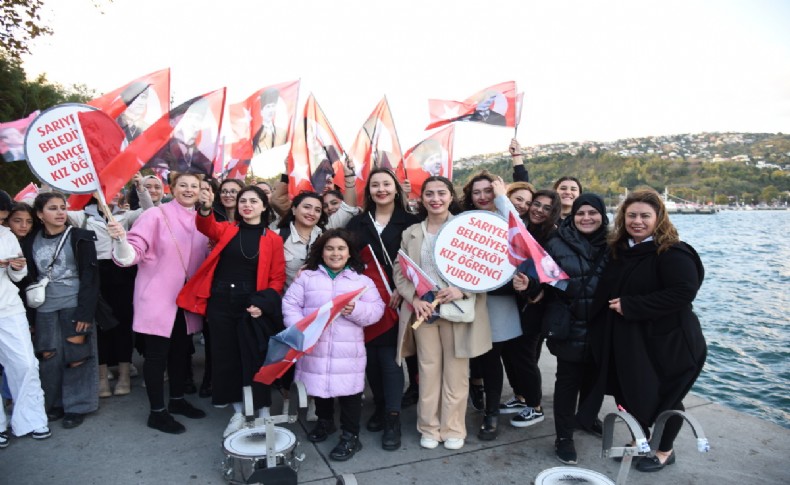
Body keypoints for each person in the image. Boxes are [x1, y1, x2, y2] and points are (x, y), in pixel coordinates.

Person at [578, 188, 707, 473]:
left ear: (658, 218)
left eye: (645, 216)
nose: (637, 221)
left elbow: (684, 292)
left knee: (665, 397)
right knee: (636, 394)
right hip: (634, 341)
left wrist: (633, 305)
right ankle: (646, 441)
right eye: (631, 215)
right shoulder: (623, 251)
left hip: (669, 341)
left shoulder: (672, 251)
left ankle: (664, 450)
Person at [178, 184, 285, 438]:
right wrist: (204, 208)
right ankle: (238, 412)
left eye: (253, 201)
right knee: (225, 357)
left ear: (263, 206)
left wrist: (263, 304)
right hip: (221, 301)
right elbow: (206, 226)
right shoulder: (227, 229)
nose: (247, 205)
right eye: (242, 201)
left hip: (251, 302)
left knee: (256, 358)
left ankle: (262, 412)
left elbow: (277, 278)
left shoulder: (273, 239)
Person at [394, 176, 492, 451]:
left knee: (457, 374)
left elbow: (483, 269)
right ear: (421, 198)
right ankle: (428, 427)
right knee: (428, 372)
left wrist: (462, 290)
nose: (435, 199)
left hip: (457, 311)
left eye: (441, 193)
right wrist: (413, 298)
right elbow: (400, 269)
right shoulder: (412, 232)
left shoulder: (465, 229)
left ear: (451, 196)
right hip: (425, 312)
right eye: (429, 194)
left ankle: (453, 428)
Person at [108, 172, 209, 434]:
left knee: (180, 353)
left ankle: (176, 401)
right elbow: (132, 252)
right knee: (156, 357)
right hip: (158, 298)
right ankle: (156, 412)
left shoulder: (203, 219)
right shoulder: (154, 215)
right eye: (183, 185)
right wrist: (121, 241)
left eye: (194, 186)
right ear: (172, 189)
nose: (188, 190)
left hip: (186, 301)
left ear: (201, 190)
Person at [282, 229, 385, 461]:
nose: (335, 253)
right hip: (314, 346)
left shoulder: (362, 281)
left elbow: (377, 310)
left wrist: (356, 310)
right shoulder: (307, 278)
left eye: (341, 248)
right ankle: (325, 422)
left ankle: (351, 436)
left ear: (349, 254)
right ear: (322, 252)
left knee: (350, 395)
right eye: (330, 248)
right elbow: (290, 304)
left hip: (347, 352)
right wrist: (301, 328)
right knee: (319, 389)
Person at [346, 168, 419, 451]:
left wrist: (404, 290)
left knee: (390, 362)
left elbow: (419, 261)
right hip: (367, 301)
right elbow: (348, 259)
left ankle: (393, 418)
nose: (381, 189)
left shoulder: (411, 221)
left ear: (396, 188)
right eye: (375, 185)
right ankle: (379, 406)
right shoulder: (357, 222)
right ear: (369, 192)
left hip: (399, 301)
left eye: (386, 184)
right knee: (371, 360)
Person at [536, 193, 609, 464]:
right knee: (567, 384)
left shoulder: (615, 243)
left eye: (593, 213)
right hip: (571, 324)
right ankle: (564, 438)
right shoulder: (556, 242)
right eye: (581, 213)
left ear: (602, 215)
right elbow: (542, 280)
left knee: (595, 380)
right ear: (572, 215)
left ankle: (587, 419)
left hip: (603, 327)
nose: (586, 218)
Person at [21, 192, 100, 429]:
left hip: (74, 305)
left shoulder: (80, 237)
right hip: (44, 309)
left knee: (78, 357)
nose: (60, 212)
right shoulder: (30, 240)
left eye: (62, 207)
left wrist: (86, 313)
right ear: (39, 214)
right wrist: (30, 318)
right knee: (49, 357)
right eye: (53, 208)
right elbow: (28, 279)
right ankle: (53, 403)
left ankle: (77, 406)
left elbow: (91, 276)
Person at [460, 173, 522, 440]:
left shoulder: (506, 219)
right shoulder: (461, 221)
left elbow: (521, 234)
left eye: (489, 191)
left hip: (498, 301)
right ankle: (475, 389)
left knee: (491, 358)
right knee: (471, 355)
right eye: (477, 192)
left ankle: (491, 412)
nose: (483, 196)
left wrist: (503, 198)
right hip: (467, 299)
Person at [506, 189, 562, 429]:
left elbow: (554, 275)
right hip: (520, 301)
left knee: (525, 356)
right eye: (535, 204)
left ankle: (535, 407)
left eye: (546, 207)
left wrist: (535, 290)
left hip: (536, 305)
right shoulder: (527, 229)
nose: (538, 209)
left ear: (554, 212)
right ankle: (521, 397)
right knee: (514, 354)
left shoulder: (554, 236)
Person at [0, 191, 51, 447]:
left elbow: (17, 277)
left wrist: (15, 268)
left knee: (26, 364)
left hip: (9, 307)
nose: (1, 223)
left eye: (2, 218)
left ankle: (31, 419)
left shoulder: (7, 235)